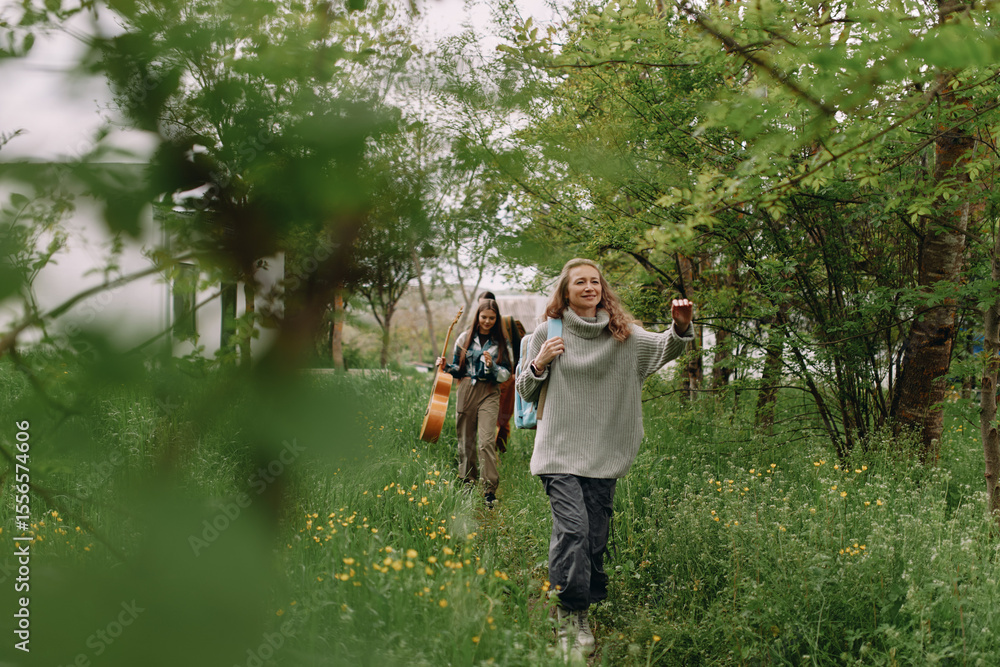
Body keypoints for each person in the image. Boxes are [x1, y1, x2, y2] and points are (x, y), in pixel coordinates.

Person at [515, 258, 693, 658]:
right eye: (580, 282)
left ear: (603, 289)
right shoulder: (550, 331)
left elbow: (667, 346)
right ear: (565, 292)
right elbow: (525, 390)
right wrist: (540, 360)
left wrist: (681, 325)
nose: (590, 287)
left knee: (594, 540)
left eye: (595, 281)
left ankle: (578, 606)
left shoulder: (623, 335)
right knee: (574, 531)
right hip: (559, 452)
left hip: (604, 453)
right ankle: (570, 615)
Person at [439, 298, 512, 509]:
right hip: (466, 390)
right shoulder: (464, 338)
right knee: (465, 438)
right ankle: (467, 483)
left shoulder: (502, 343)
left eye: (491, 318)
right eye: (483, 317)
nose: (487, 321)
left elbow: (506, 373)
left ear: (496, 319)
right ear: (477, 317)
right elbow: (458, 369)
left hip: (489, 391)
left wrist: (492, 367)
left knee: (487, 441)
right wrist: (445, 367)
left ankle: (489, 490)